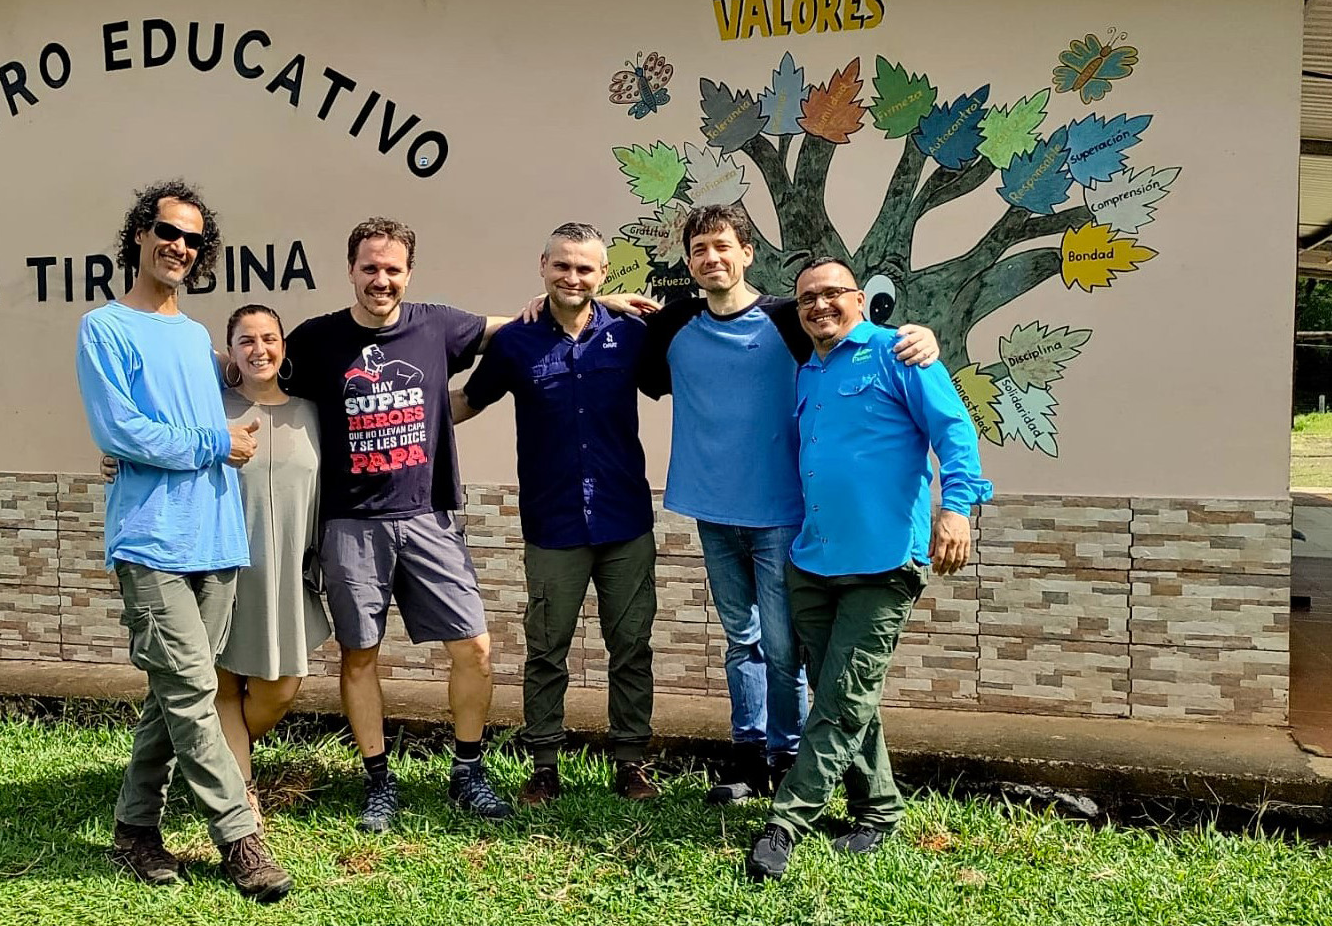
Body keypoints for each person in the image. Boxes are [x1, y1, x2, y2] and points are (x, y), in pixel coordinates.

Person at [638, 204, 940, 803]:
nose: (711, 258)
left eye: (723, 246)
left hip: (781, 513)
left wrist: (920, 334)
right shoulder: (672, 326)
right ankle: (747, 756)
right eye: (699, 249)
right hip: (712, 510)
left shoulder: (788, 320)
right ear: (689, 260)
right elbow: (625, 358)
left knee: (784, 646)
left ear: (747, 253)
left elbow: (851, 333)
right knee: (740, 640)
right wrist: (605, 303)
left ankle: (790, 752)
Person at [74, 180, 291, 902]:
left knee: (174, 694)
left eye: (194, 239)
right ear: (139, 233)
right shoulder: (103, 327)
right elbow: (121, 431)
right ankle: (239, 839)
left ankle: (134, 830)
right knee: (194, 690)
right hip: (152, 541)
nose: (179, 246)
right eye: (168, 230)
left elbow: (191, 419)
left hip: (218, 539)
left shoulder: (198, 337)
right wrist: (207, 442)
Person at [746, 256, 992, 881]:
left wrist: (957, 509)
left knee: (841, 696)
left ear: (860, 299)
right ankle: (878, 808)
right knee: (846, 694)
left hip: (884, 563)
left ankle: (787, 822)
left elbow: (956, 433)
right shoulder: (807, 371)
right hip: (813, 559)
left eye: (832, 294)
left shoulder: (901, 353)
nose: (819, 306)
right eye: (806, 299)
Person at [281, 217, 528, 832]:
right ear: (351, 270)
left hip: (428, 518)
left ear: (408, 272)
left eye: (392, 269)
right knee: (359, 655)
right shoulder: (316, 340)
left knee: (472, 648)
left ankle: (468, 772)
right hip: (350, 524)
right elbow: (255, 378)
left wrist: (597, 299)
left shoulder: (437, 325)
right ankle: (378, 782)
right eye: (370, 268)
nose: (381, 280)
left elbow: (525, 322)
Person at [102, 304, 331, 835]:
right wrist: (117, 458)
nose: (259, 349)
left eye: (269, 337)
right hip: (221, 559)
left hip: (288, 569)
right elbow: (150, 441)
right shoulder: (210, 410)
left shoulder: (311, 412)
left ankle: (207, 753)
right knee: (219, 683)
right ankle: (239, 791)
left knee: (281, 684)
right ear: (229, 353)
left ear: (283, 346)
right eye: (245, 340)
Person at [452, 222, 659, 804]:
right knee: (546, 648)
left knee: (632, 646)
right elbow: (470, 400)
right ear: (542, 265)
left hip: (625, 520)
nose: (574, 278)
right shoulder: (516, 342)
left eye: (586, 269)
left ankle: (630, 760)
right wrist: (401, 416)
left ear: (602, 274)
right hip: (553, 523)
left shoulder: (630, 334)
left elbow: (689, 360)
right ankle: (544, 762)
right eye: (562, 266)